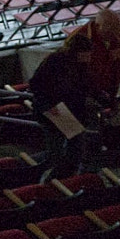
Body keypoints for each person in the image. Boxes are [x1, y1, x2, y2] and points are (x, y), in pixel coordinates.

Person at [28, 30, 97, 177]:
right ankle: (53, 178)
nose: (89, 57)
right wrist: (49, 105)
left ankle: (58, 178)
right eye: (86, 54)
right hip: (55, 111)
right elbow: (36, 85)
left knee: (70, 148)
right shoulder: (56, 61)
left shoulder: (78, 65)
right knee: (61, 150)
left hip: (66, 111)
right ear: (77, 52)